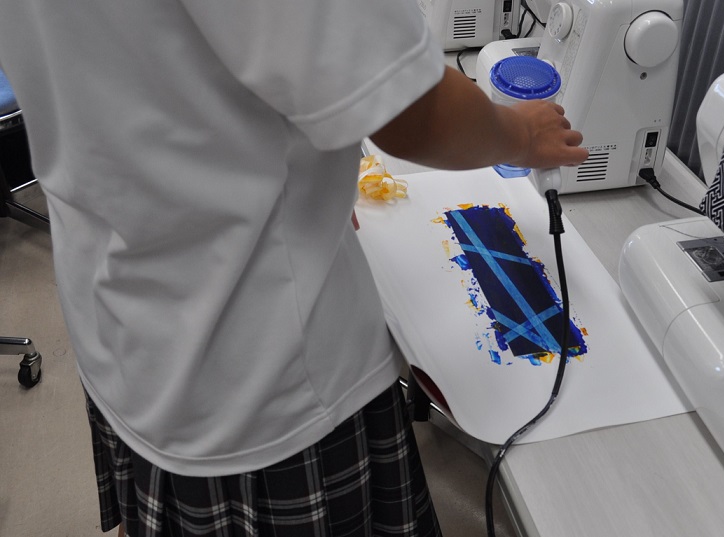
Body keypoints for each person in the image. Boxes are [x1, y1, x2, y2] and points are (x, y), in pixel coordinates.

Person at [0, 1, 587, 536]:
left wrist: (308, 173)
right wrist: (521, 132)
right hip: (260, 383)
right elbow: (413, 110)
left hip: (119, 311)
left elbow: (162, 67)